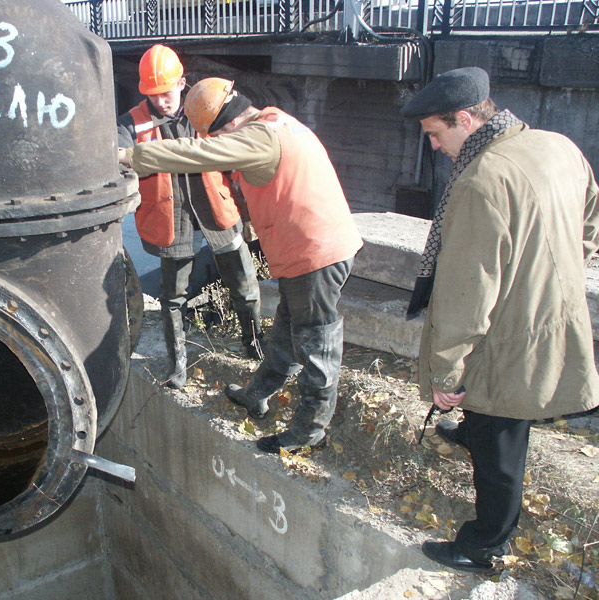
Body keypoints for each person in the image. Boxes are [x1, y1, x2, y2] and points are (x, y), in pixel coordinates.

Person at [400, 67, 599, 573]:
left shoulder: (481, 180)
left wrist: (444, 375)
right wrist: (566, 262)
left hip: (512, 330)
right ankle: (472, 429)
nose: (435, 147)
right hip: (556, 307)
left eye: (436, 135)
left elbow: (466, 295)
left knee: (501, 441)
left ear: (465, 119)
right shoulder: (556, 144)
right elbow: (591, 215)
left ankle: (485, 543)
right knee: (492, 420)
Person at [119, 77, 363, 454]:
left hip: (315, 253)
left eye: (214, 136)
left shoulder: (256, 139)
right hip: (313, 246)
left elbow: (194, 155)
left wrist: (132, 156)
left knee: (317, 343)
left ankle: (309, 432)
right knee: (287, 325)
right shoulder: (275, 120)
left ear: (226, 126)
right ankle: (257, 393)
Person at [117, 46, 263, 390]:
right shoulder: (130, 123)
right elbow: (117, 156)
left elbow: (241, 151)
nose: (162, 102)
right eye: (153, 95)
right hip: (170, 218)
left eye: (167, 93)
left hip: (217, 209)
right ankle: (177, 362)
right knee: (174, 294)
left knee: (244, 283)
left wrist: (250, 210)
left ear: (183, 83)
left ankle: (254, 346)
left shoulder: (208, 109)